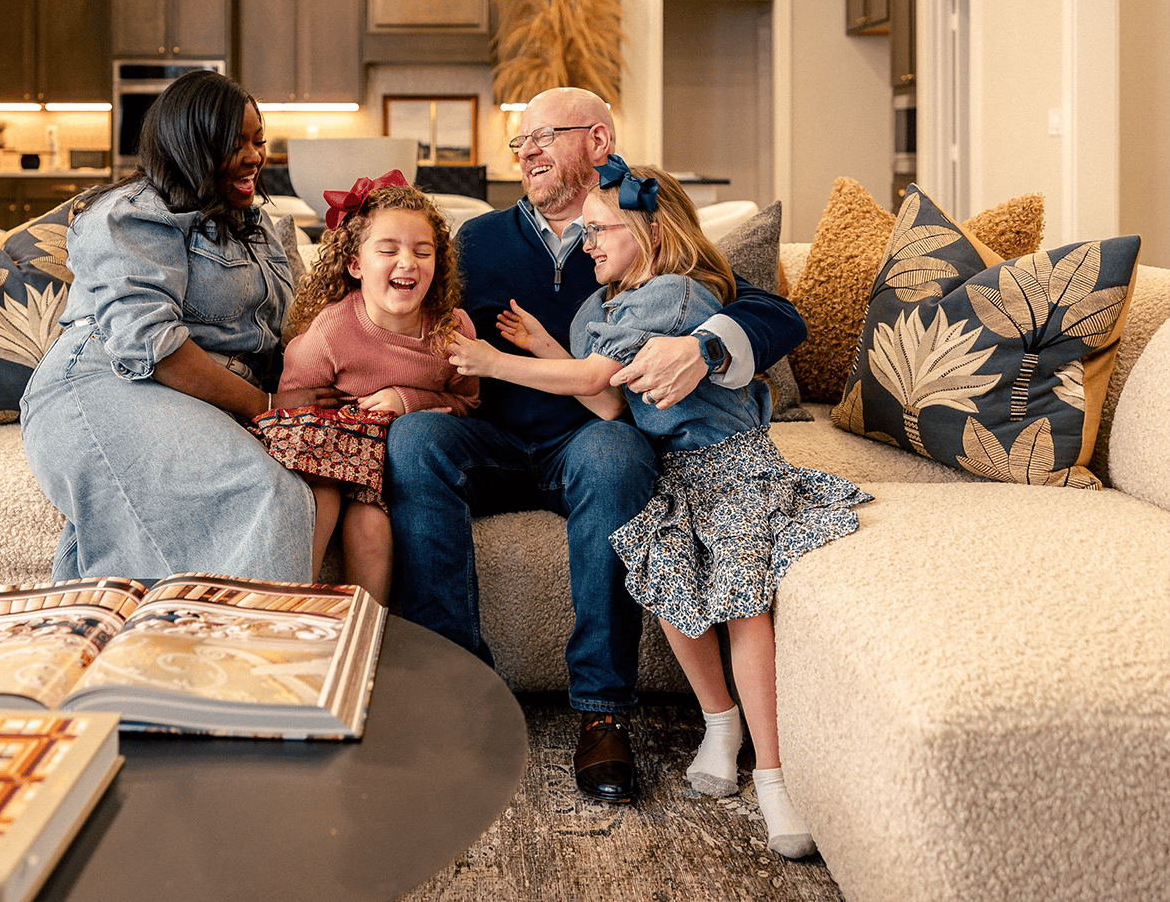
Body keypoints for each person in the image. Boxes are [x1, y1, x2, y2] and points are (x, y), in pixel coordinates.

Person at [384, 86, 807, 806]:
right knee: (416, 438)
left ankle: (603, 710)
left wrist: (704, 346)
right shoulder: (477, 242)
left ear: (599, 143)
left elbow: (770, 311)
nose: (527, 153)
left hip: (590, 439)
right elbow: (402, 307)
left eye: (545, 136)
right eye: (520, 144)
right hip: (490, 436)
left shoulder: (637, 225)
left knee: (614, 450)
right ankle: (451, 689)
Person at [448, 156, 871, 856]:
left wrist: (493, 361)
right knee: (669, 591)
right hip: (673, 476)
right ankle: (719, 721)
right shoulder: (599, 306)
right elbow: (609, 398)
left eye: (599, 229)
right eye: (582, 231)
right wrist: (548, 343)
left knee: (740, 606)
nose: (586, 243)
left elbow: (595, 375)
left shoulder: (674, 295)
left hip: (729, 469)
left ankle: (772, 778)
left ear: (651, 228)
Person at [20, 70, 340, 585]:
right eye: (235, 144)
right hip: (106, 382)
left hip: (196, 397)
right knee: (263, 491)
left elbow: (287, 332)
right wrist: (267, 407)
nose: (255, 156)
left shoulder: (254, 228)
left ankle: (175, 645)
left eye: (259, 141)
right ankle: (258, 651)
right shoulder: (129, 215)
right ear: (192, 145)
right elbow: (155, 347)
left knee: (313, 486)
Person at [259, 172, 480, 603]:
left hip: (390, 470)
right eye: (388, 250)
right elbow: (291, 411)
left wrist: (408, 400)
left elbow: (467, 403)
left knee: (370, 523)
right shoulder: (330, 331)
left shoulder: (454, 331)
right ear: (356, 264)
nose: (408, 263)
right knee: (319, 496)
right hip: (329, 452)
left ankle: (366, 633)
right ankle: (292, 604)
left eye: (423, 251)